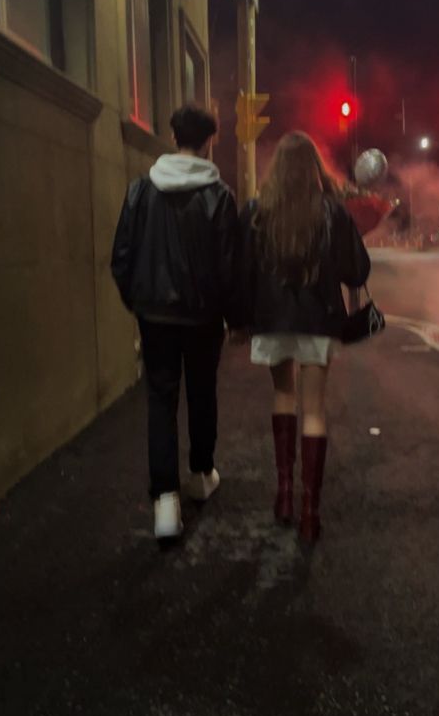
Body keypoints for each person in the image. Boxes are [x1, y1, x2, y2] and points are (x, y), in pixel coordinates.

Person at [111, 104, 239, 541]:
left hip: (155, 315)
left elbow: (121, 258)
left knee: (161, 400)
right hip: (202, 316)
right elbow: (229, 268)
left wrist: (137, 301)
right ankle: (201, 475)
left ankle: (165, 503)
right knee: (202, 393)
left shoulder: (141, 191)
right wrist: (233, 317)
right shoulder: (219, 195)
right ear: (208, 141)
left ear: (173, 136)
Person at [239, 132, 371, 543]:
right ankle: (311, 512)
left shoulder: (258, 210)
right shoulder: (333, 212)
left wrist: (239, 320)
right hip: (318, 318)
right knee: (314, 409)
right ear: (314, 168)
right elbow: (358, 272)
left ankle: (283, 495)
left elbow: (242, 271)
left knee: (283, 396)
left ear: (277, 168)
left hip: (274, 318)